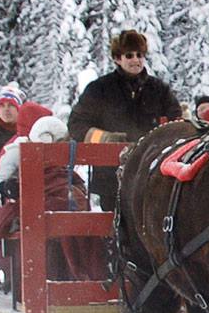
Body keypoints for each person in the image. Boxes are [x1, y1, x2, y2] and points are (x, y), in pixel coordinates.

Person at [68, 29, 181, 208]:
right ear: (117, 58)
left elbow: (178, 120)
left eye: (140, 55)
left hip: (150, 176)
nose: (136, 60)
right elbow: (76, 124)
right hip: (111, 179)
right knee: (113, 230)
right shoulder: (99, 89)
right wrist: (105, 138)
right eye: (129, 55)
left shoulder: (159, 89)